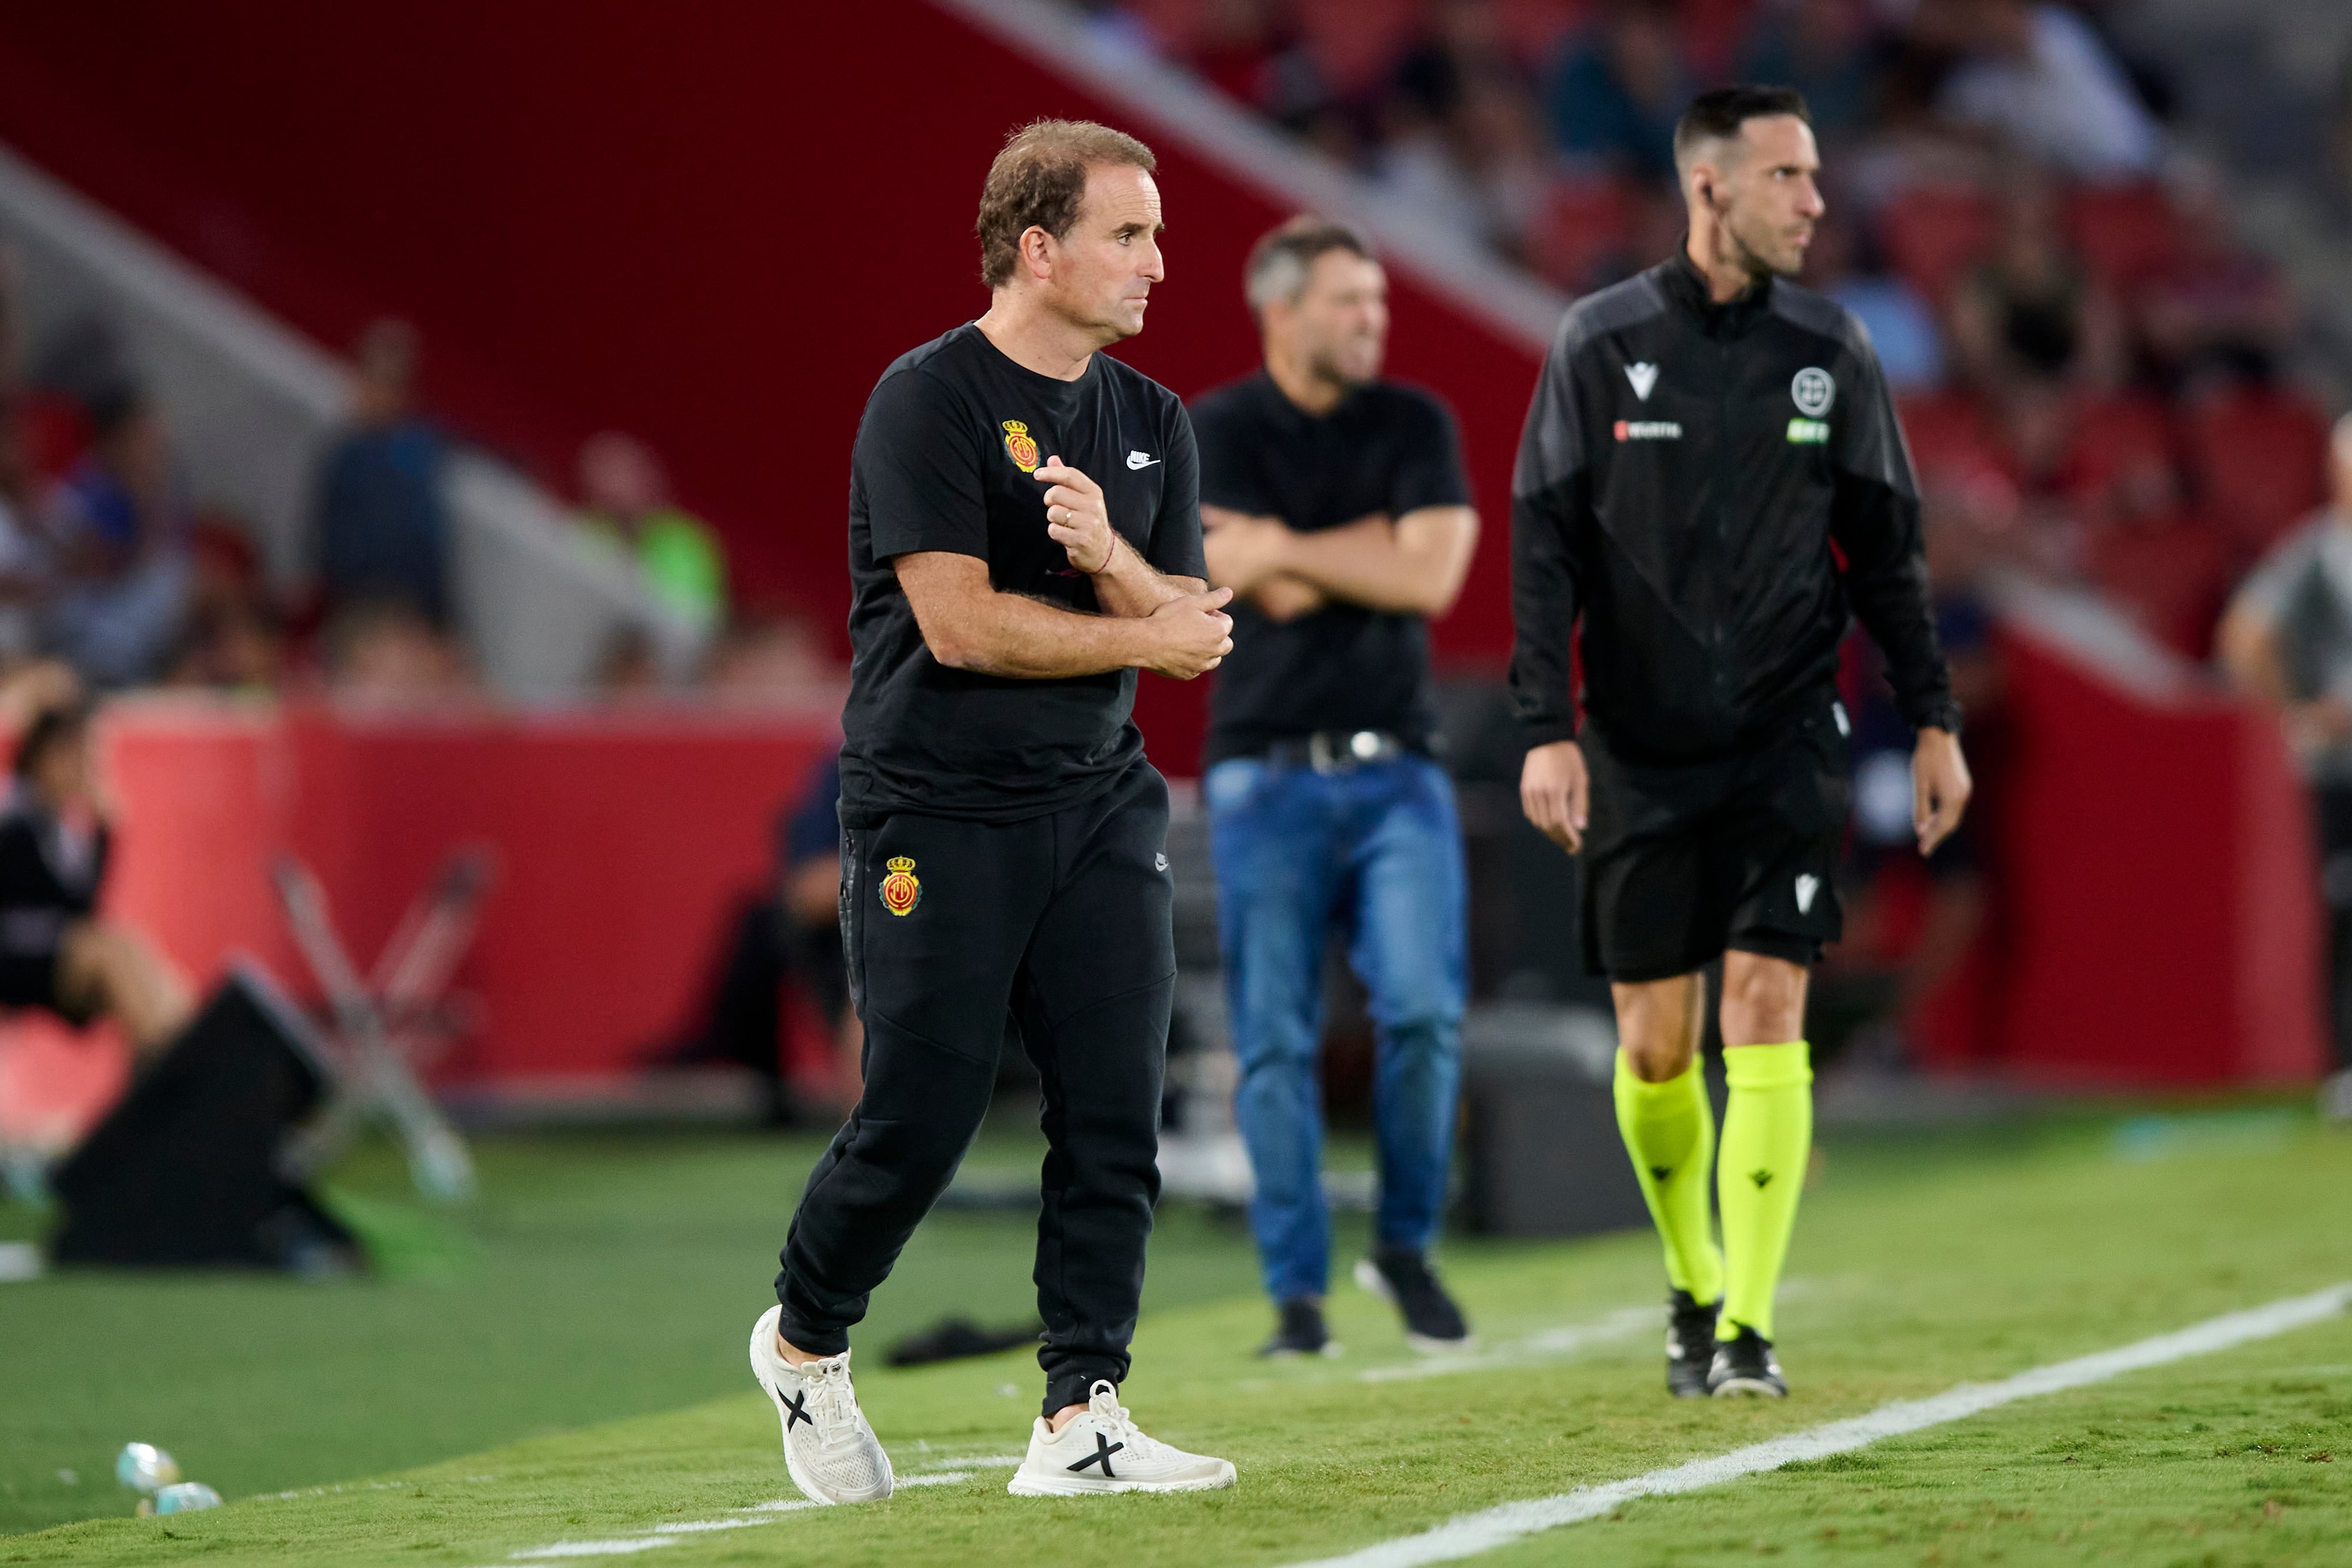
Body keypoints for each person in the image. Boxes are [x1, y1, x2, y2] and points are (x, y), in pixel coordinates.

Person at [750, 119, 1239, 1505]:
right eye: (1127, 234)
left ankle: (1081, 1410)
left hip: (1095, 802)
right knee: (922, 1110)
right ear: (1040, 248)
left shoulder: (1151, 421)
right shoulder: (928, 401)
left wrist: (1111, 559)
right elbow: (958, 627)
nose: (1156, 264)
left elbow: (1195, 624)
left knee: (1112, 1111)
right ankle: (802, 1341)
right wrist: (1132, 617)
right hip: (934, 808)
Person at [1511, 86, 1970, 1399]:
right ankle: (1691, 1281)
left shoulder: (1835, 349)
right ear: (1708, 187)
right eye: (1786, 176)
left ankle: (1750, 1328)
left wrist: (1931, 714)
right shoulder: (1596, 342)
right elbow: (1542, 550)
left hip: (1784, 739)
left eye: (1815, 174)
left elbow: (1887, 555)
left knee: (1764, 1010)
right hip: (1637, 749)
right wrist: (1545, 726)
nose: (1815, 200)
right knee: (1654, 1045)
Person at [1190, 216, 1481, 1359]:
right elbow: (1230, 576)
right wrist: (1352, 546)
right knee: (1273, 1037)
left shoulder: (1414, 420)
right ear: (1282, 309)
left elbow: (1432, 574)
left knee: (1419, 1011)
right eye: (1347, 302)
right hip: (1262, 773)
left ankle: (1402, 1247)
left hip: (1397, 771)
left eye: (1377, 302)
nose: (1372, 320)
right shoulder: (1210, 428)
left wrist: (1281, 543)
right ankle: (1295, 1298)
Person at [2217, 413, 2352, 1124]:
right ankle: (2345, 1063)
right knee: (2345, 908)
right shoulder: (2315, 556)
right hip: (2339, 769)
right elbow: (2246, 634)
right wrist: (2298, 706)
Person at [0, 702, 193, 1058]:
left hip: (51, 954)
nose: (91, 772)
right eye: (83, 758)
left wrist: (104, 834)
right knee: (110, 954)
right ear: (50, 755)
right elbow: (53, 907)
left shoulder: (61, 827)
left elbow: (84, 909)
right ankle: (170, 1060)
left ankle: (184, 1043)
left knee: (129, 948)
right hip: (15, 954)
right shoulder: (15, 814)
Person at [314, 320, 449, 626]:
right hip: (353, 605)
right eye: (370, 380)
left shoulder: (420, 452)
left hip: (408, 607)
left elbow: (423, 550)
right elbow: (326, 544)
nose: (376, 394)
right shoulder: (344, 458)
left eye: (389, 384)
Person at [577, 432, 730, 634]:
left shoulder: (687, 544)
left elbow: (691, 618)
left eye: (624, 478)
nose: (616, 493)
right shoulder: (590, 526)